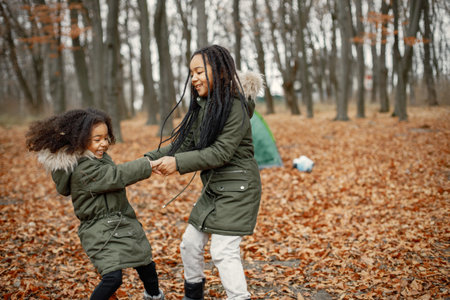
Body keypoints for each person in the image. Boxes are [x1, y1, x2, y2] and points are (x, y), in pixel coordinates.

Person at [146, 45, 263, 300]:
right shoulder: (204, 107)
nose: (194, 78)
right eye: (192, 73)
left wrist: (177, 164)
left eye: (200, 71)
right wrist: (145, 161)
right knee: (190, 244)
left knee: (223, 251)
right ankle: (193, 296)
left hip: (238, 189)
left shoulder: (234, 107)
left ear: (220, 73)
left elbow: (220, 153)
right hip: (214, 189)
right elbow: (181, 145)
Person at [25, 108, 164, 300]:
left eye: (106, 138)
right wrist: (147, 165)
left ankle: (154, 295)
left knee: (146, 264)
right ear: (80, 140)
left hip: (122, 221)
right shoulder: (85, 170)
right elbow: (115, 176)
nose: (104, 144)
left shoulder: (97, 158)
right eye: (96, 140)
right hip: (99, 230)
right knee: (113, 278)